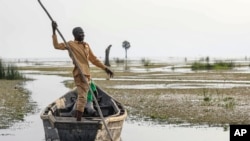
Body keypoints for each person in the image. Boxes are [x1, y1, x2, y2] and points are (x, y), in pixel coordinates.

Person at [51, 21, 114, 121]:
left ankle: (78, 117)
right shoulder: (71, 44)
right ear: (75, 35)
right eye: (80, 33)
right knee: (82, 97)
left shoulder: (86, 45)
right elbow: (56, 46)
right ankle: (78, 120)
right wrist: (54, 31)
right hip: (79, 74)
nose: (83, 35)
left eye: (83, 33)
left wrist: (105, 68)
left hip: (87, 74)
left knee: (84, 97)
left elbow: (94, 60)